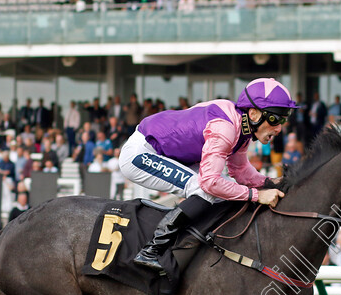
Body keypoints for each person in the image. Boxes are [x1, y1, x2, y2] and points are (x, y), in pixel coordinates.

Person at [118, 78, 294, 272]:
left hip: (167, 153)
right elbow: (210, 183)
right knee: (206, 190)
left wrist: (270, 183)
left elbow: (240, 171)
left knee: (223, 191)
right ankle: (152, 249)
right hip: (141, 154)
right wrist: (257, 195)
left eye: (283, 120)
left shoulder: (240, 126)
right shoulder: (225, 128)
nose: (279, 128)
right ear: (253, 114)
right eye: (275, 119)